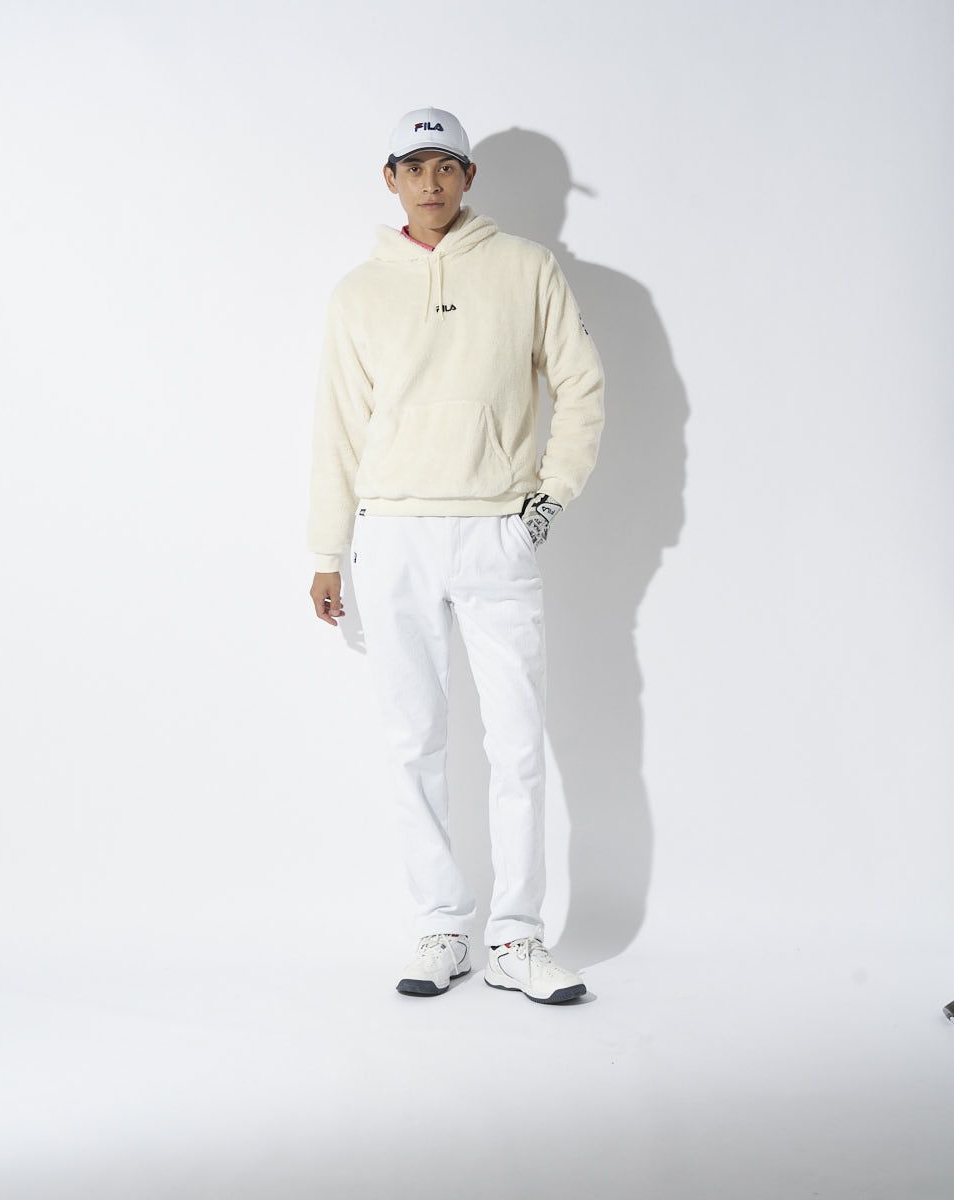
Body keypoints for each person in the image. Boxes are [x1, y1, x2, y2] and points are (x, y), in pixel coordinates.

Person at [306, 106, 605, 1004]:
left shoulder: (524, 268)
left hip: (495, 530)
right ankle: (442, 926)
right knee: (414, 741)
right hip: (392, 533)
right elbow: (337, 428)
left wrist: (549, 499)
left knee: (516, 741)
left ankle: (516, 937)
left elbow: (581, 384)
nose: (430, 182)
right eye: (414, 166)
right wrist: (328, 549)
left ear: (469, 178)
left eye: (447, 166)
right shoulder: (359, 293)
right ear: (390, 178)